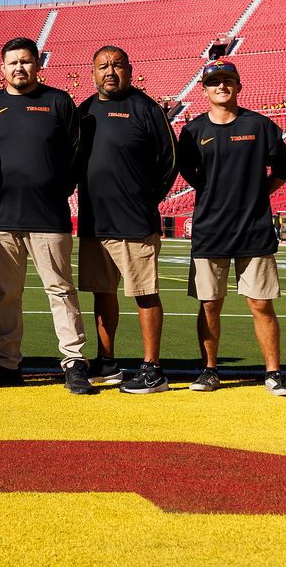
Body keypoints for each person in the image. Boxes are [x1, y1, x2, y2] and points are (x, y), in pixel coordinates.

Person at [0, 36, 94, 395]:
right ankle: (7, 363)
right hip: (2, 216)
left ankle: (73, 362)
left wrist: (58, 187)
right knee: (6, 294)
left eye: (26, 61)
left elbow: (77, 152)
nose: (19, 68)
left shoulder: (58, 101)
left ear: (38, 65)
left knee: (60, 290)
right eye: (12, 62)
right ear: (2, 69)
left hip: (49, 216)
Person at [177, 59, 286, 397]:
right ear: (204, 89)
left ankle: (274, 373)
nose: (222, 86)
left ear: (239, 86)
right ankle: (209, 370)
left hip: (254, 231)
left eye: (228, 80)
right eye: (214, 81)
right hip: (210, 232)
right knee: (209, 304)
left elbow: (285, 168)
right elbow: (192, 175)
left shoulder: (259, 125)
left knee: (261, 304)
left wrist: (259, 194)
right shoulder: (193, 131)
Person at [76, 45, 178, 394]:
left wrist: (147, 199)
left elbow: (170, 160)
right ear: (93, 73)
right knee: (102, 293)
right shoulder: (84, 111)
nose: (110, 71)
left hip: (135, 221)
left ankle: (153, 368)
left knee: (145, 293)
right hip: (94, 221)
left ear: (129, 70)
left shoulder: (146, 108)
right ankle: (107, 362)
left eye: (117, 65)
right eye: (103, 66)